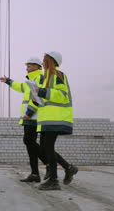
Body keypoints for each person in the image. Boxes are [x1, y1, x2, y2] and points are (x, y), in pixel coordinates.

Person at [35, 51, 78, 191]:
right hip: (47, 119)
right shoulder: (46, 77)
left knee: (47, 147)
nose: (42, 62)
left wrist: (42, 92)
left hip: (56, 118)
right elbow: (46, 97)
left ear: (51, 60)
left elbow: (61, 95)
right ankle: (68, 167)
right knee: (45, 147)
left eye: (44, 59)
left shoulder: (58, 75)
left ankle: (54, 180)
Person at [0, 57, 46, 182]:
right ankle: (35, 174)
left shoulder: (40, 78)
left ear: (37, 66)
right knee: (30, 144)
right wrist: (8, 81)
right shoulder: (30, 80)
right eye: (27, 66)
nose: (27, 68)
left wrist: (30, 112)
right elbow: (20, 87)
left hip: (34, 116)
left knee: (29, 141)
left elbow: (38, 97)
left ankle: (51, 162)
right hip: (29, 116)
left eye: (29, 66)